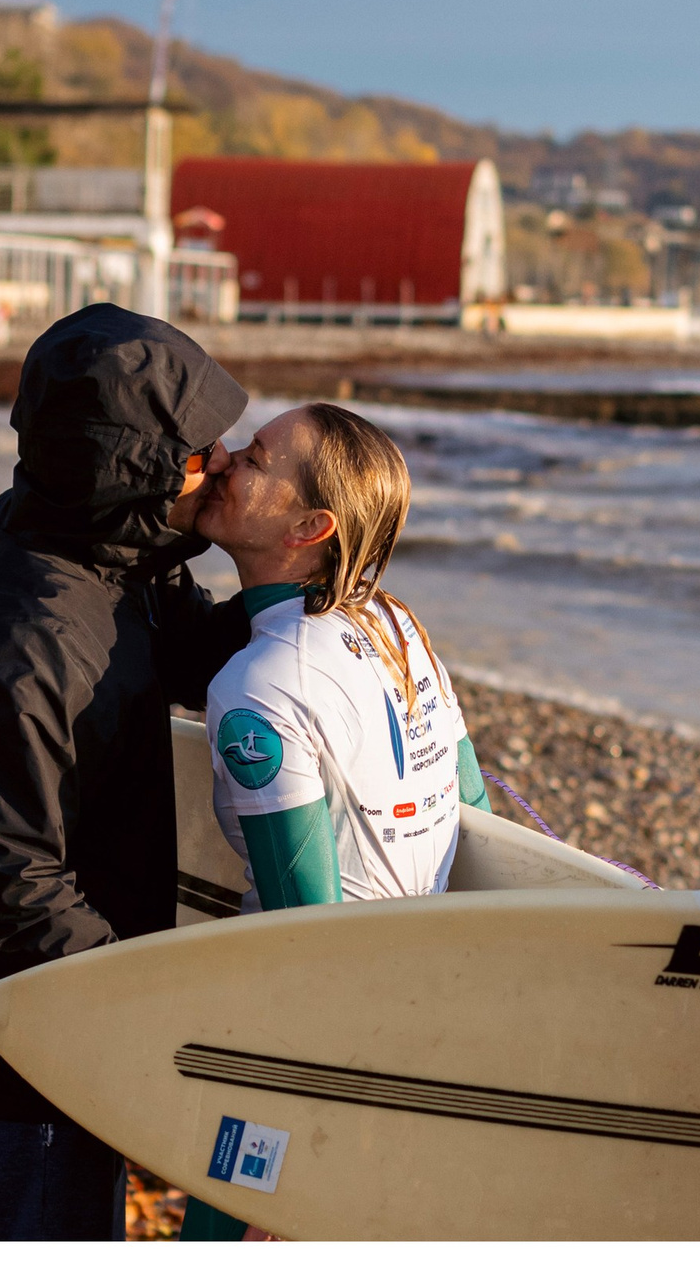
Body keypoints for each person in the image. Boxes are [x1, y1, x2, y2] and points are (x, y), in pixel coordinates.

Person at [0, 303, 250, 1240]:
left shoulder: (95, 540)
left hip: (56, 1047)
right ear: (138, 467)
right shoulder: (30, 642)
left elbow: (196, 656)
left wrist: (314, 603)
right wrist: (151, 1026)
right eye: (206, 450)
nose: (226, 462)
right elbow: (16, 895)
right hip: (14, 1080)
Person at [180, 400, 482, 1241]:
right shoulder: (398, 629)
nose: (229, 457)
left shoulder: (260, 687)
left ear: (309, 524)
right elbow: (477, 815)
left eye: (258, 456)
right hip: (417, 1010)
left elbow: (303, 933)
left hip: (305, 1033)